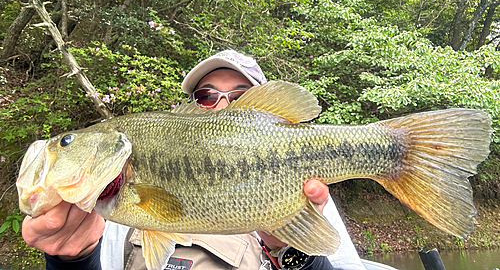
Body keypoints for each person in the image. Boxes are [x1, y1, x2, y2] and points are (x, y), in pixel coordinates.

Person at [22, 49, 366, 270]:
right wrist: (72, 261)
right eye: (205, 96)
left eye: (241, 96)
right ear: (186, 111)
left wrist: (290, 251)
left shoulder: (308, 191)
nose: (222, 105)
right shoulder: (110, 204)